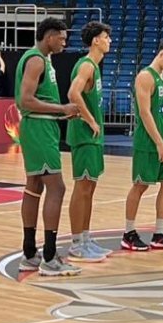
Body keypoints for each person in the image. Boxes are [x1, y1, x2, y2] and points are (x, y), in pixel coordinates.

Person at [15, 18, 81, 276]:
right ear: (49, 36)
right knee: (58, 187)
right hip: (39, 129)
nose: (64, 42)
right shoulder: (36, 60)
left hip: (40, 127)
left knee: (34, 187)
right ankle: (50, 257)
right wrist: (61, 108)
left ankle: (30, 253)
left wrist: (58, 114)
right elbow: (26, 100)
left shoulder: (42, 59)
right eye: (62, 38)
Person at [121, 39, 163, 252]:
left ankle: (159, 233)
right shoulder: (145, 76)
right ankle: (128, 233)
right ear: (161, 53)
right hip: (149, 142)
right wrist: (159, 143)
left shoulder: (162, 79)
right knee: (140, 185)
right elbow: (145, 112)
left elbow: (161, 110)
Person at [66, 21, 113, 263]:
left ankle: (85, 237)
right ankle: (76, 243)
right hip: (84, 136)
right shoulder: (86, 65)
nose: (109, 41)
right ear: (95, 40)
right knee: (82, 188)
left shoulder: (94, 66)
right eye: (106, 37)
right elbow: (72, 94)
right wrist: (91, 120)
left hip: (92, 138)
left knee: (90, 189)